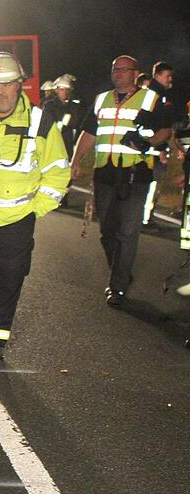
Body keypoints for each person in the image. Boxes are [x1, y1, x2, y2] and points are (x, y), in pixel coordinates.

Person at [0, 53, 70, 360]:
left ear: (19, 85)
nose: (0, 91)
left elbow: (58, 170)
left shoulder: (39, 121)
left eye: (7, 84)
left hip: (16, 216)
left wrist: (36, 208)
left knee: (7, 281)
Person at [71, 55, 172, 306]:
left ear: (135, 73)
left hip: (136, 174)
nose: (118, 74)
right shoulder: (101, 100)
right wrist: (75, 160)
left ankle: (118, 286)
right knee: (107, 231)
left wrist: (147, 142)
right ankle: (121, 271)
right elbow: (89, 132)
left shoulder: (150, 99)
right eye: (115, 69)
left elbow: (165, 130)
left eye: (124, 70)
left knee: (127, 231)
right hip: (105, 173)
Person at [141, 61, 175, 225]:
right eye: (167, 76)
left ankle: (145, 217)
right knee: (150, 186)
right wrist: (159, 146)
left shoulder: (158, 95)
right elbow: (150, 123)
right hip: (151, 150)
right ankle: (145, 218)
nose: (170, 79)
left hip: (151, 148)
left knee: (150, 186)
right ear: (158, 75)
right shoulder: (154, 95)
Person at [43, 74, 87, 168]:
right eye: (62, 90)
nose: (65, 93)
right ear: (57, 90)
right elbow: (48, 125)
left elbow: (77, 123)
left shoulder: (75, 106)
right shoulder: (49, 106)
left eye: (67, 90)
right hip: (54, 143)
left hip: (70, 143)